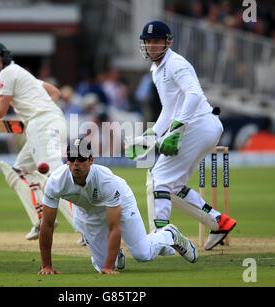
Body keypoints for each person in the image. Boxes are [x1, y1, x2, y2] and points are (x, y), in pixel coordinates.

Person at [0, 41, 78, 242]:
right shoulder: (24, 76)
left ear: (3, 57)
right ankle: (41, 218)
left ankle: (85, 227)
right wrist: (36, 111)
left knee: (55, 178)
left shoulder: (8, 73)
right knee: (19, 171)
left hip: (43, 126)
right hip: (51, 122)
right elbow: (55, 93)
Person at [132, 21, 237, 250]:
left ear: (168, 42)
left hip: (199, 125)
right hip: (198, 127)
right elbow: (170, 109)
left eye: (156, 41)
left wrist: (177, 130)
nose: (151, 46)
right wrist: (151, 136)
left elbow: (194, 95)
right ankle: (219, 222)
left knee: (159, 176)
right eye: (148, 41)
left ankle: (162, 239)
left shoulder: (176, 64)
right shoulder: (156, 69)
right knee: (172, 185)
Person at [38, 138, 197, 275]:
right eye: (72, 159)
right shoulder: (56, 181)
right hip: (87, 213)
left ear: (91, 160)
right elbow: (47, 224)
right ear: (67, 161)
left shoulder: (105, 180)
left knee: (142, 254)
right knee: (101, 265)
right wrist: (46, 266)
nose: (76, 164)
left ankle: (169, 234)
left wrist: (108, 268)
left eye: (81, 159)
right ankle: (116, 254)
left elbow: (114, 226)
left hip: (121, 202)